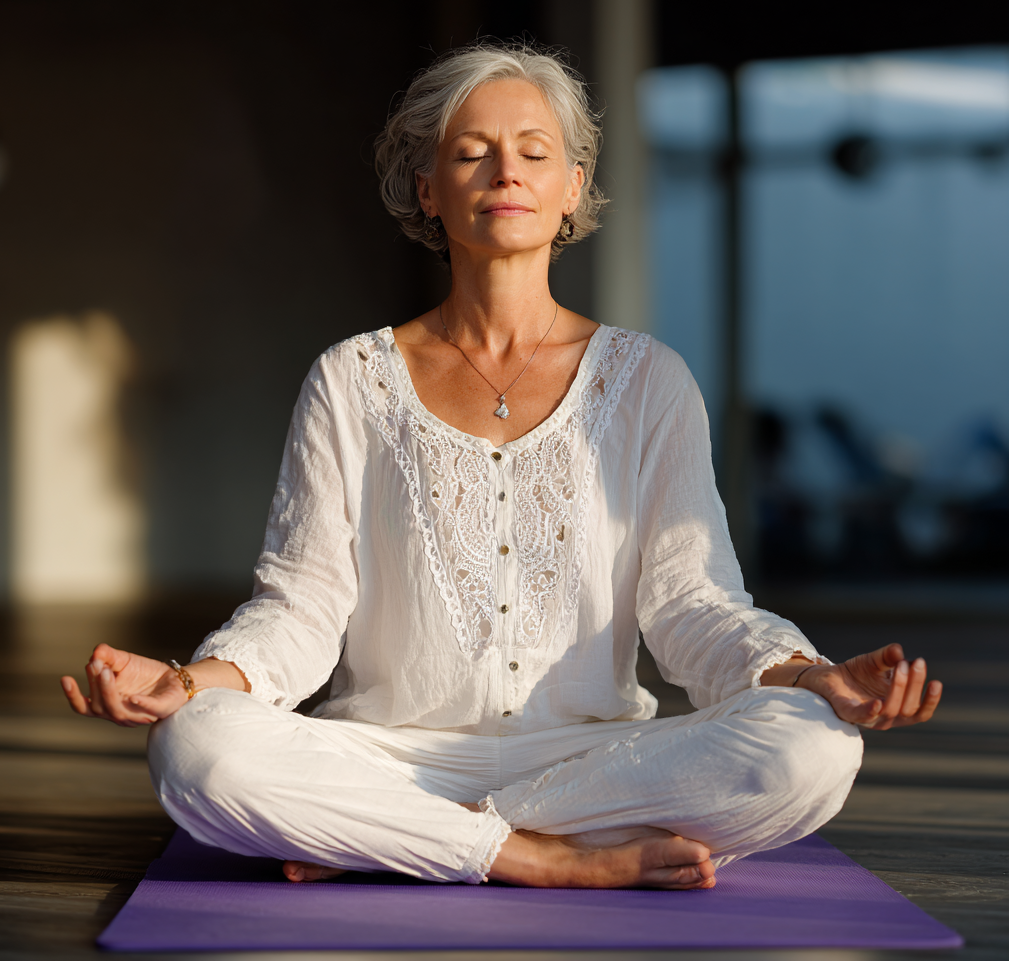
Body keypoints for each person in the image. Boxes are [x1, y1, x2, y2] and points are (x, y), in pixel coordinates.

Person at [61, 43, 941, 891]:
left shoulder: (649, 380)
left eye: (533, 152)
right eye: (471, 154)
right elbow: (301, 605)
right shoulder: (351, 378)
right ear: (428, 191)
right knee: (196, 747)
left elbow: (693, 604)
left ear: (572, 190)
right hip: (386, 755)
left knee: (815, 746)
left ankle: (403, 839)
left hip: (595, 763)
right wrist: (183, 682)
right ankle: (540, 855)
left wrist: (806, 675)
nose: (505, 172)